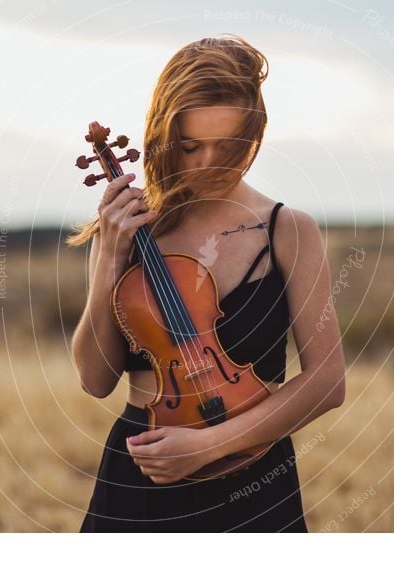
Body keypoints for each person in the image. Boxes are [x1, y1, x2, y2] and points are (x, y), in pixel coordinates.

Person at [66, 34, 346, 532]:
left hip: (255, 477)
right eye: (191, 146)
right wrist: (109, 254)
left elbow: (327, 382)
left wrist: (209, 445)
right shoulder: (128, 227)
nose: (210, 164)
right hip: (143, 470)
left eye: (230, 145)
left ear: (255, 132)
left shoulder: (288, 230)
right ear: (164, 136)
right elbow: (95, 379)